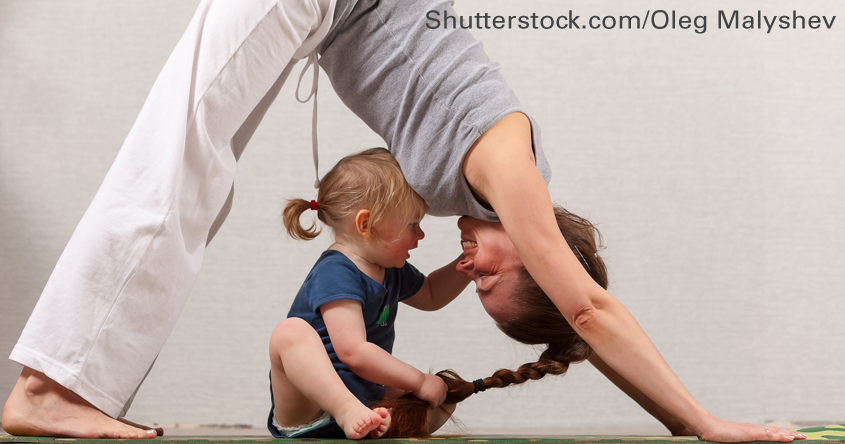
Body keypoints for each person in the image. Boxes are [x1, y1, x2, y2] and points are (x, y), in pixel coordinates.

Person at [0, 0, 806, 442]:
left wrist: (672, 425)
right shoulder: (509, 172)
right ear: (536, 250)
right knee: (179, 161)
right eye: (489, 274)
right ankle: (47, 385)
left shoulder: (487, 190)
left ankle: (57, 383)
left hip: (332, 13)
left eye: (472, 283)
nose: (466, 265)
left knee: (196, 178)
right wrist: (703, 422)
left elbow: (577, 330)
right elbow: (589, 312)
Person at [267, 148, 465, 439]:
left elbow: (432, 294)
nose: (420, 234)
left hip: (365, 399)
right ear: (365, 225)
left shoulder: (392, 268)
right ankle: (347, 410)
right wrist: (418, 380)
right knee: (290, 333)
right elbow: (353, 352)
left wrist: (468, 264)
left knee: (444, 398)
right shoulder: (336, 271)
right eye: (413, 224)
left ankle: (381, 422)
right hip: (311, 405)